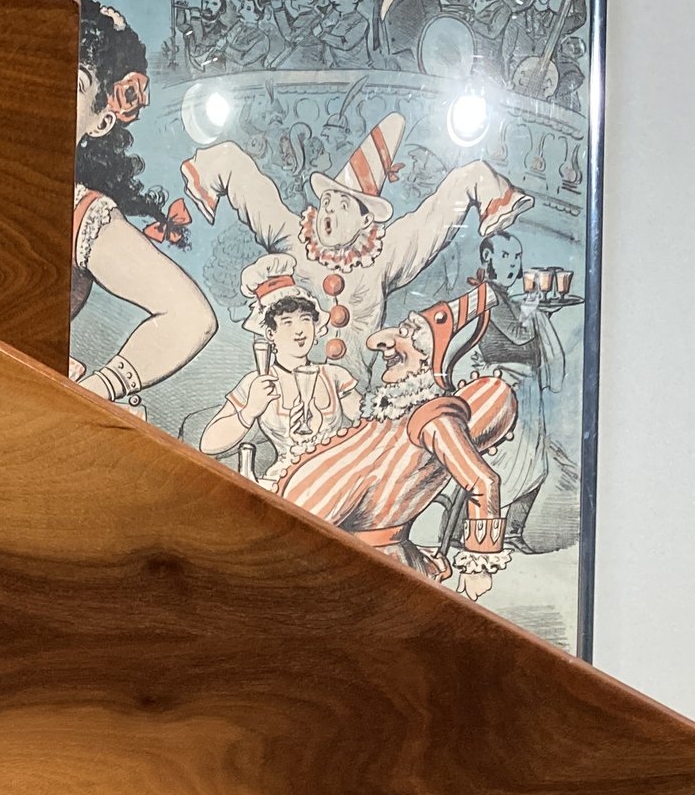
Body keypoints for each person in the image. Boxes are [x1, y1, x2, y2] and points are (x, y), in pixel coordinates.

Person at [181, 110, 530, 370]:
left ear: (366, 220)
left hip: (350, 403)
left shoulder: (384, 255)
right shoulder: (292, 237)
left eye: (343, 205)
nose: (329, 211)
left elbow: (434, 217)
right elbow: (252, 190)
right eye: (327, 201)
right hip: (289, 397)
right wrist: (218, 167)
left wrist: (480, 184)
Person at [271, 281, 519, 595]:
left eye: (405, 333)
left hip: (365, 566)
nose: (381, 343)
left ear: (432, 356)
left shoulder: (433, 417)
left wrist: (478, 567)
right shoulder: (397, 410)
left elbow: (483, 482)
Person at [66, 0, 218, 408]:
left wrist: (97, 389)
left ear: (100, 121)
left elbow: (191, 318)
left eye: (72, 84)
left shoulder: (80, 213)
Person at [456, 228, 581, 553]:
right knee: (506, 464)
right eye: (506, 256)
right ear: (488, 257)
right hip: (504, 389)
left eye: (517, 257)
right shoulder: (489, 296)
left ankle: (511, 532)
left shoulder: (505, 298)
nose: (513, 263)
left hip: (524, 390)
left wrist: (536, 311)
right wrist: (538, 309)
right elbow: (519, 334)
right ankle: (469, 533)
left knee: (535, 466)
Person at [200, 255, 364, 478]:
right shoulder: (258, 382)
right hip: (286, 478)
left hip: (338, 473)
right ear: (270, 333)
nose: (299, 330)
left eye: (305, 319)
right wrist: (249, 410)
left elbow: (369, 420)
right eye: (287, 322)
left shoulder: (334, 376)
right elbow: (208, 444)